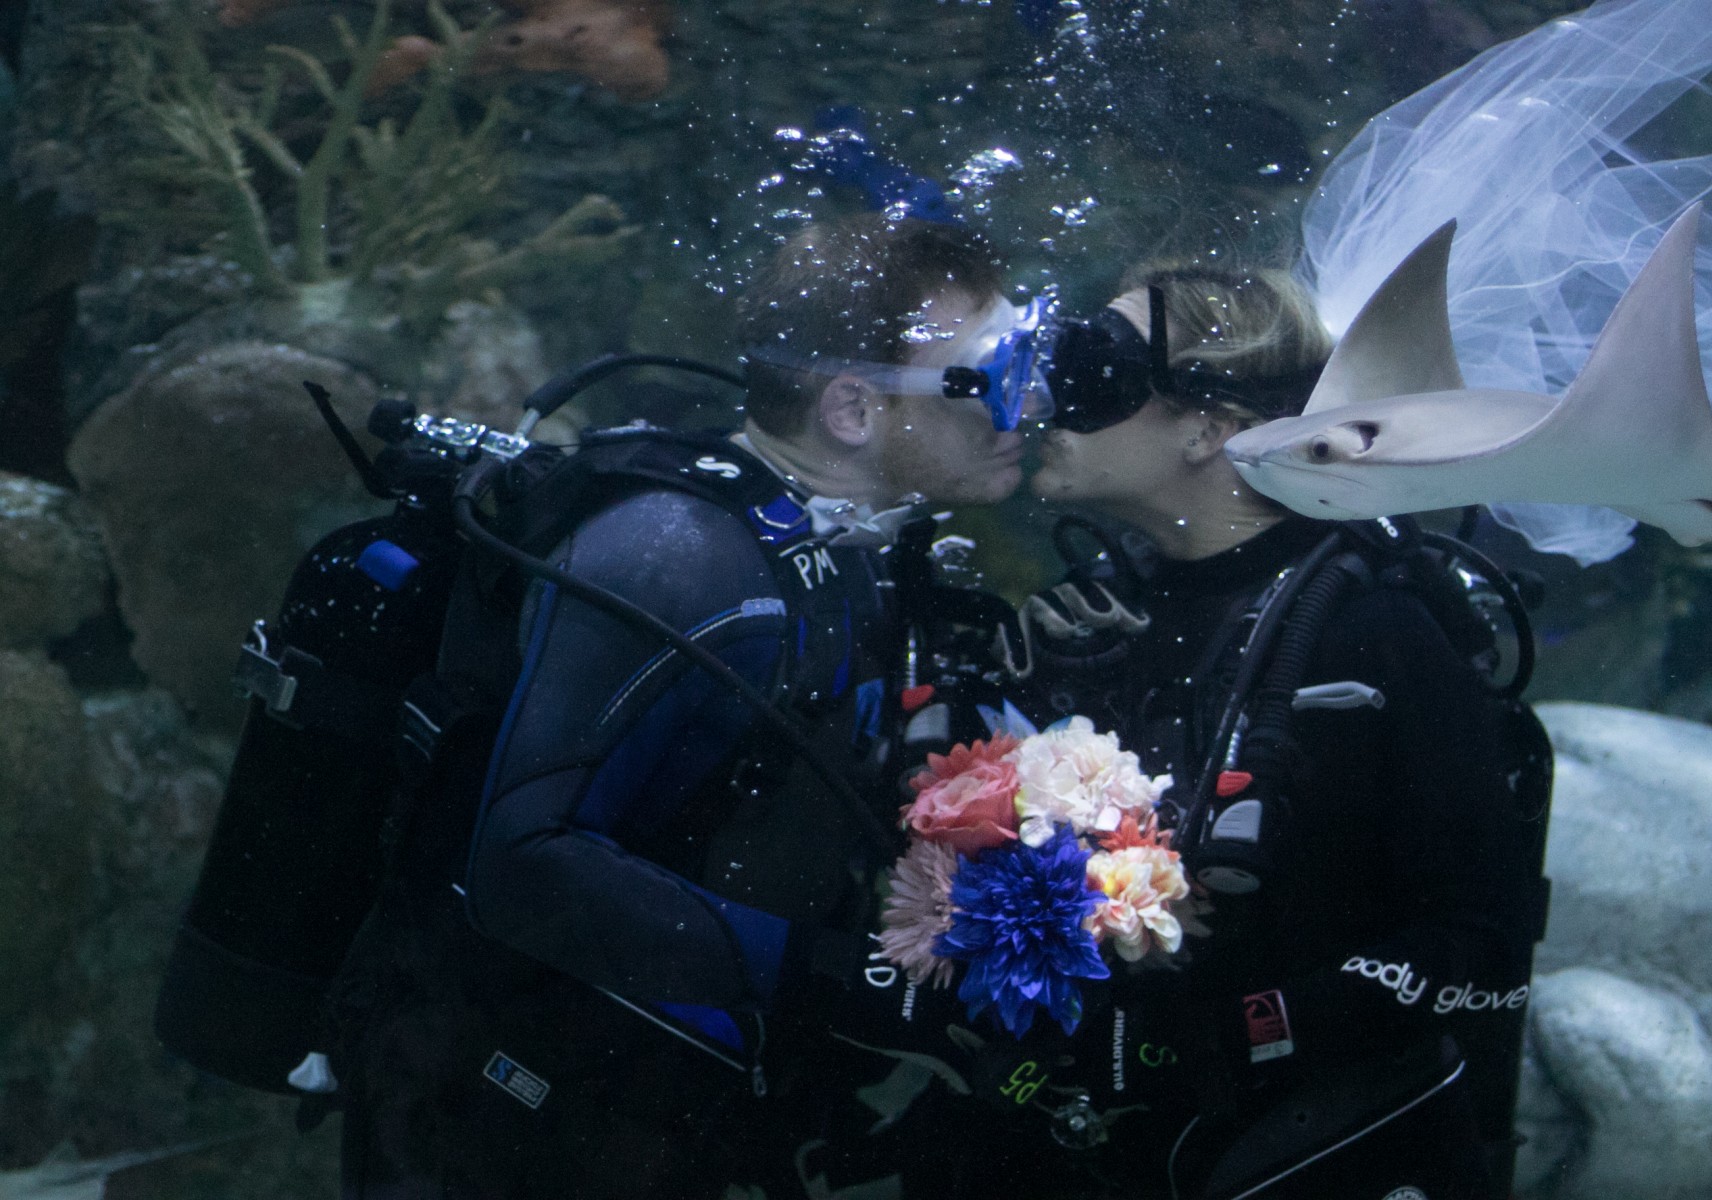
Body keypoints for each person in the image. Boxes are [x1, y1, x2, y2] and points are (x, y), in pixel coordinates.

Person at [155, 213, 1048, 1199]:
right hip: (493, 1110)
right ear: (851, 409)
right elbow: (523, 864)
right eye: (996, 377)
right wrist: (834, 977)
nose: (1029, 407)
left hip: (652, 1100)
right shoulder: (678, 555)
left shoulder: (842, 551)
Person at [994, 261, 1551, 1200]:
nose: (1056, 398)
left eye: (1103, 371)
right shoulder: (1089, 622)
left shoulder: (1372, 632)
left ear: (1211, 427)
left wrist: (1240, 1031)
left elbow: (1484, 955)